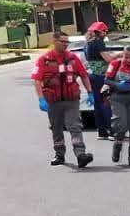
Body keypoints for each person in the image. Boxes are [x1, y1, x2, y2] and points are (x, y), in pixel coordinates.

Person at [31, 29, 94, 168]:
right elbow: (36, 80)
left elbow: (83, 75)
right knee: (56, 128)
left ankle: (80, 154)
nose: (65, 45)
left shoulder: (72, 58)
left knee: (75, 126)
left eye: (67, 42)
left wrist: (90, 92)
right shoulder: (44, 60)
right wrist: (41, 99)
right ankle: (59, 154)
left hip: (71, 100)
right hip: (53, 101)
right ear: (54, 41)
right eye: (63, 42)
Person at [83, 20, 113, 140]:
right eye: (104, 31)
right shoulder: (99, 42)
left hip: (91, 75)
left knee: (97, 103)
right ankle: (112, 131)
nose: (106, 33)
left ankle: (101, 131)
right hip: (101, 75)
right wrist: (116, 57)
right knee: (105, 102)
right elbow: (107, 59)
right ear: (99, 32)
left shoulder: (87, 44)